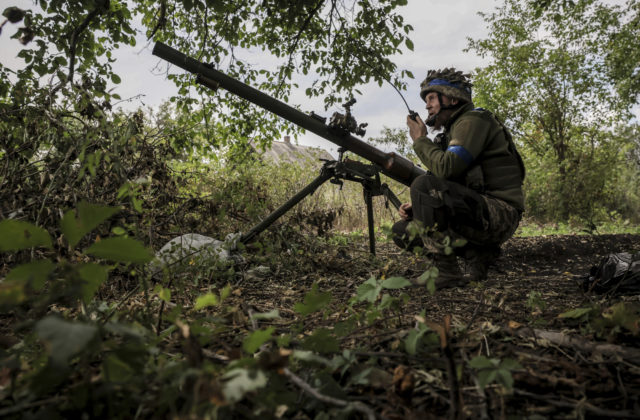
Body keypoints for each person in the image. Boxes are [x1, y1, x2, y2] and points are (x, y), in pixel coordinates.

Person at [392, 68, 525, 289]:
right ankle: (478, 254)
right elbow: (445, 186)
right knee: (402, 231)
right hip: (478, 211)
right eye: (427, 100)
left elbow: (447, 169)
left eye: (432, 98)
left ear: (452, 99)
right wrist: (420, 208)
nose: (427, 105)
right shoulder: (452, 132)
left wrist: (420, 140)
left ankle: (445, 272)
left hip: (500, 212)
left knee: (423, 184)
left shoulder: (473, 120)